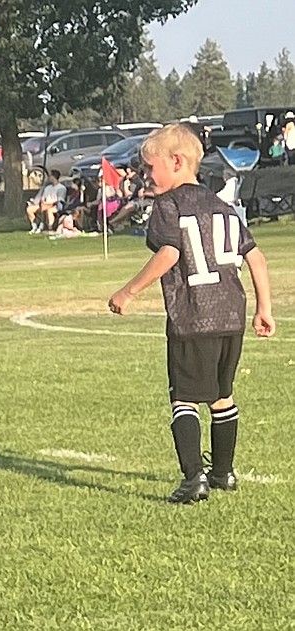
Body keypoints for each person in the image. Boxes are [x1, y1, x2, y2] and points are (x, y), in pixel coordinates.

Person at [108, 124, 274, 504]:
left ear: (176, 162)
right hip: (232, 316)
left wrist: (128, 291)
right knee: (222, 396)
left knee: (184, 398)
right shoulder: (224, 207)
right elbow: (257, 258)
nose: (146, 176)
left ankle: (193, 479)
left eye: (150, 168)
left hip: (193, 316)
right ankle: (224, 473)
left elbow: (169, 254)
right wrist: (264, 308)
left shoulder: (169, 206)